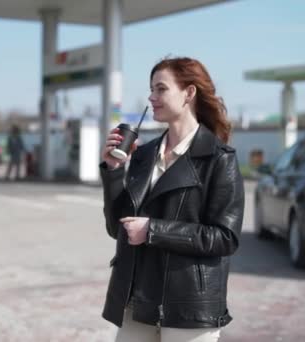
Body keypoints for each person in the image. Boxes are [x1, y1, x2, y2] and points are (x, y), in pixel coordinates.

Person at [100, 57, 244, 342]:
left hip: (189, 306)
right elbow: (118, 229)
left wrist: (153, 231)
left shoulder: (219, 158)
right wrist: (114, 171)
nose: (151, 97)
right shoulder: (143, 155)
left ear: (189, 93)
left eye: (161, 89)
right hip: (137, 299)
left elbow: (226, 237)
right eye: (151, 90)